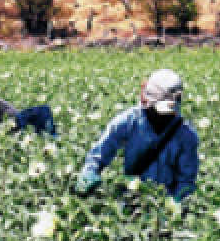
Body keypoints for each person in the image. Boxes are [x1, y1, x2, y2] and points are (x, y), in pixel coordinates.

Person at [74, 69, 199, 201]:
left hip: (165, 201)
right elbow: (100, 153)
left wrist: (176, 203)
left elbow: (186, 180)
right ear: (147, 100)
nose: (163, 117)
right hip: (131, 196)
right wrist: (89, 172)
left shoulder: (186, 135)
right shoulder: (129, 121)